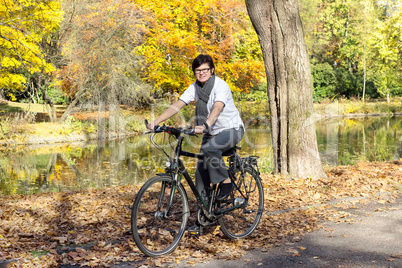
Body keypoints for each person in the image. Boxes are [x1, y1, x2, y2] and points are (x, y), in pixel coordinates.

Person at [147, 54, 244, 230]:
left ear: (212, 70)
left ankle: (226, 182)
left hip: (231, 129)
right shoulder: (194, 88)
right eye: (198, 70)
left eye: (205, 69)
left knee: (209, 149)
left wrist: (206, 124)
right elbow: (177, 105)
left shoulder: (221, 86)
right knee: (200, 173)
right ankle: (203, 218)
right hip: (211, 131)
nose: (202, 73)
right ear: (194, 72)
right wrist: (157, 122)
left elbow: (217, 107)